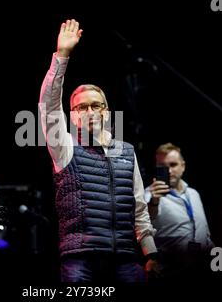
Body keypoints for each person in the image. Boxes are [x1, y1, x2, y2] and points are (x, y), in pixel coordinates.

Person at [38, 19, 159, 282]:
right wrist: (62, 56)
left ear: (106, 111)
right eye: (82, 107)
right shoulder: (66, 147)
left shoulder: (126, 152)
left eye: (96, 105)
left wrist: (151, 254)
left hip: (126, 258)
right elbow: (48, 106)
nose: (90, 111)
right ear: (72, 115)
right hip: (80, 259)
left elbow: (138, 209)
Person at [144, 142, 214, 279]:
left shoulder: (193, 193)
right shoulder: (150, 194)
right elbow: (144, 222)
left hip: (201, 266)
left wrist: (219, 264)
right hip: (170, 270)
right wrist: (154, 201)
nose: (169, 171)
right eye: (162, 167)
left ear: (183, 166)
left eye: (173, 165)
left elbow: (205, 233)